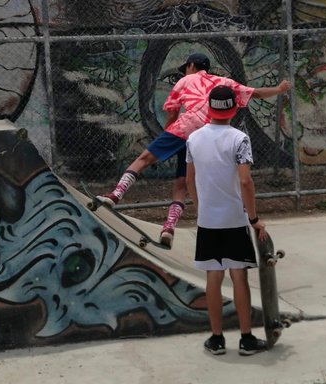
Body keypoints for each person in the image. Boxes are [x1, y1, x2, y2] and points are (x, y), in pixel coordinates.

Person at [96, 52, 291, 247]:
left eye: (185, 68)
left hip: (184, 129)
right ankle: (168, 228)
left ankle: (115, 196)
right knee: (182, 183)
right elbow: (255, 93)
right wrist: (278, 89)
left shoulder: (185, 80)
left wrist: (166, 135)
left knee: (144, 159)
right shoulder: (223, 82)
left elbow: (172, 113)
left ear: (191, 65)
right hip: (205, 136)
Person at [185, 85, 268, 356]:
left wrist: (201, 208)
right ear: (233, 109)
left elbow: (189, 180)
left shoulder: (193, 139)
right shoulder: (239, 138)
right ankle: (246, 339)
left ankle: (217, 339)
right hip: (234, 218)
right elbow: (245, 180)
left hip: (208, 220)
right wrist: (254, 218)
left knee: (213, 276)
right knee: (239, 276)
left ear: (209, 108)